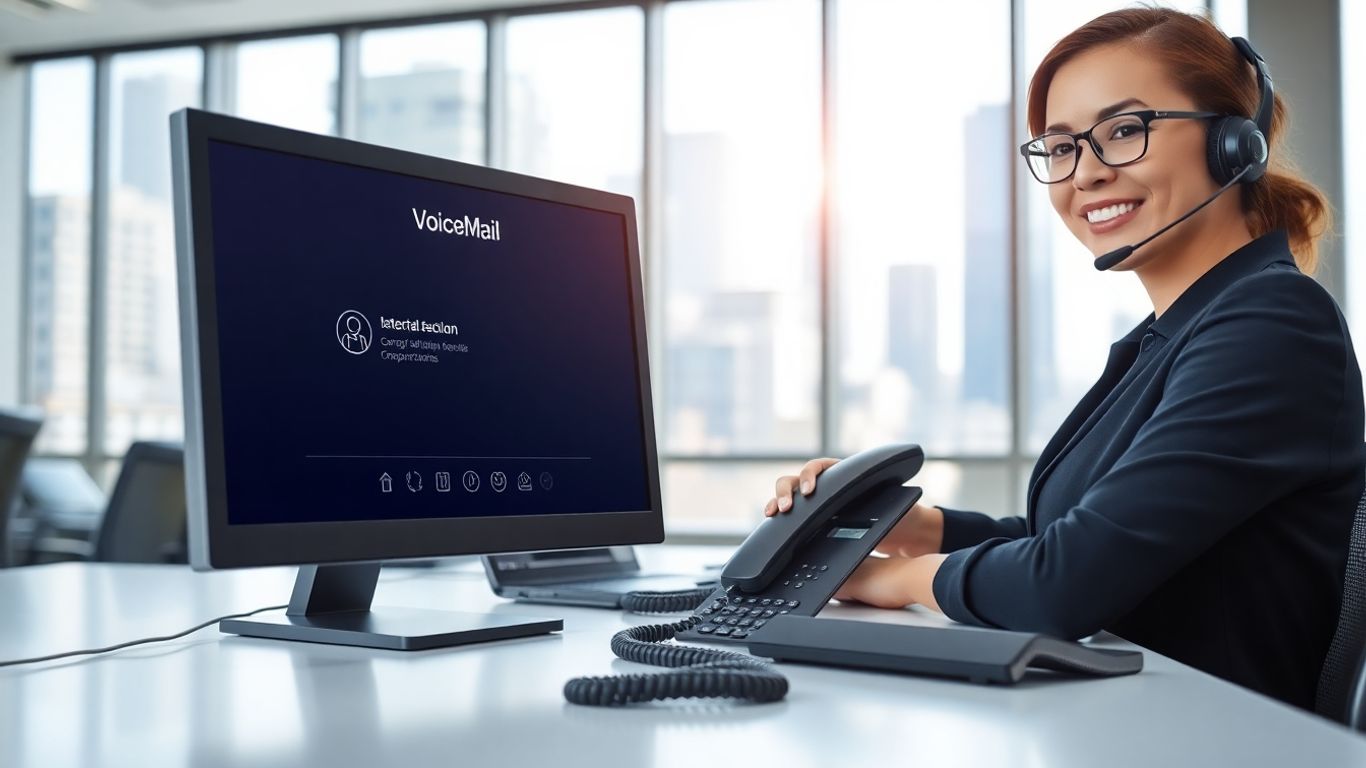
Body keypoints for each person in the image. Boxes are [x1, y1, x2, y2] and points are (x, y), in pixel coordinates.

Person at [763, 7, 1363, 711]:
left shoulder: (1271, 324)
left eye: (1124, 131)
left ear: (1233, 144)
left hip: (1208, 737)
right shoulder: (1173, 336)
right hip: (1115, 718)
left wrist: (880, 580)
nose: (1086, 174)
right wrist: (921, 529)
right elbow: (1077, 541)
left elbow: (1063, 584)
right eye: (1060, 148)